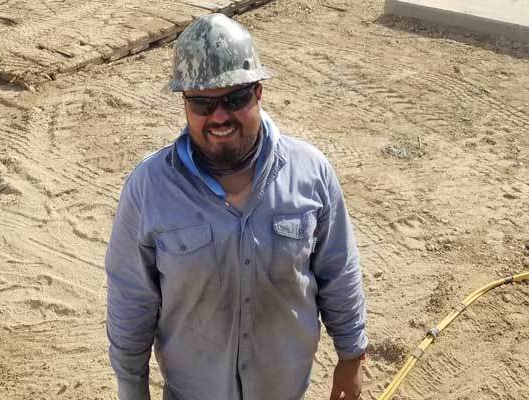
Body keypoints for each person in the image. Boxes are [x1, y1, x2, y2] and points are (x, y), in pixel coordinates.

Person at [105, 13, 368, 400]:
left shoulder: (311, 172)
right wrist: (132, 387)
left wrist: (351, 359)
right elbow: (131, 297)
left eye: (235, 98)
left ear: (258, 92)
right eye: (202, 103)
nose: (220, 116)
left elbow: (339, 270)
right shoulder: (149, 187)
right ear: (184, 102)